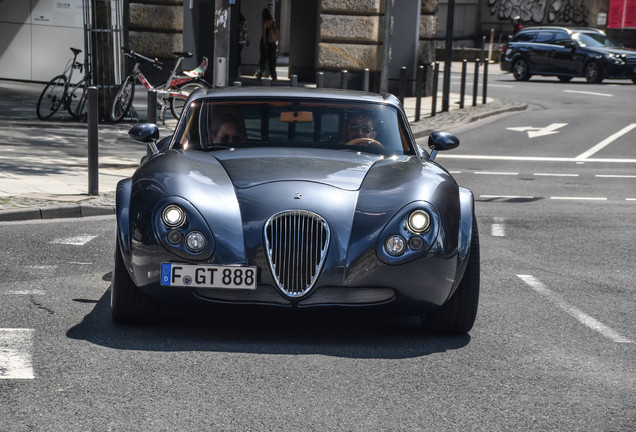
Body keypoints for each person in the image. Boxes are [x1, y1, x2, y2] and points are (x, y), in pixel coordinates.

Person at [255, 8, 277, 80]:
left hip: (266, 43)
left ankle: (259, 73)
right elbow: (275, 32)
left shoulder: (264, 22)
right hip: (272, 43)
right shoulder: (273, 21)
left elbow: (264, 34)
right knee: (272, 61)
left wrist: (264, 44)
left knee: (262, 60)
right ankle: (273, 75)